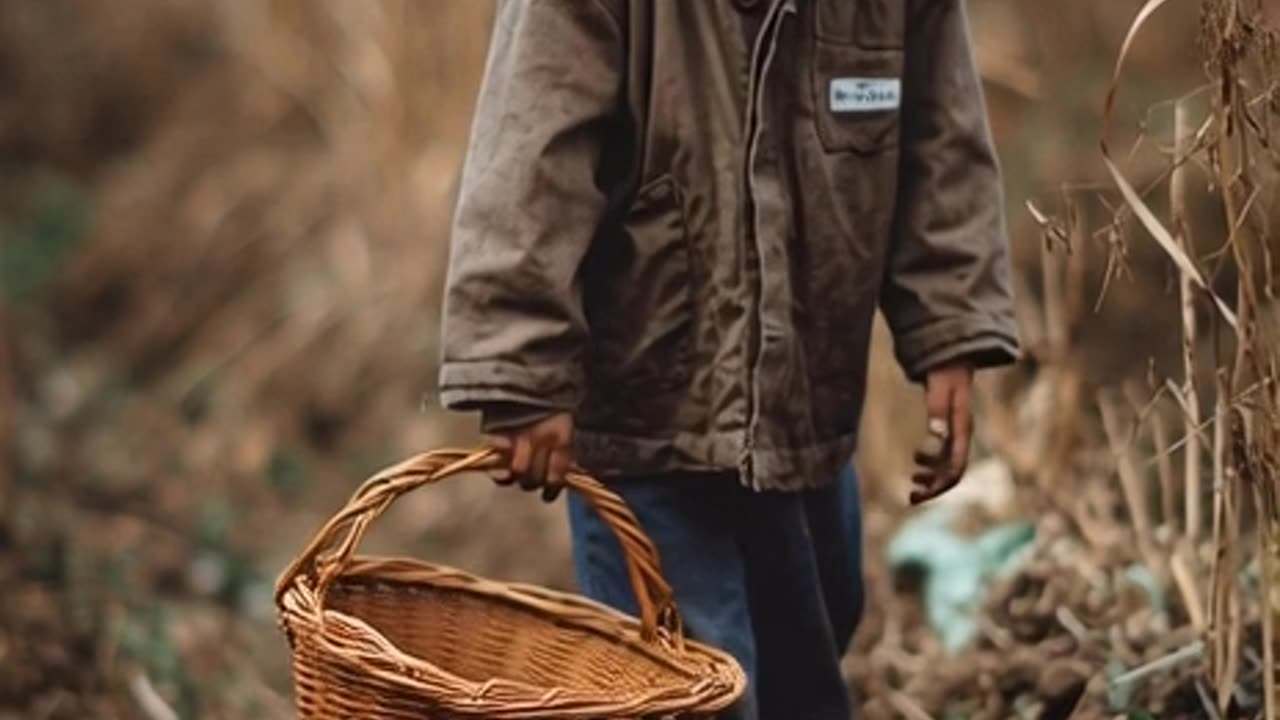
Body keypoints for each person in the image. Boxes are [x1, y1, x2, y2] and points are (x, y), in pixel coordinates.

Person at [437, 1, 1020, 717]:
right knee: (688, 694)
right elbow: (532, 147)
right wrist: (523, 365)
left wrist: (950, 331)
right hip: (643, 415)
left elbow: (940, 136)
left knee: (805, 673)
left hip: (808, 415)